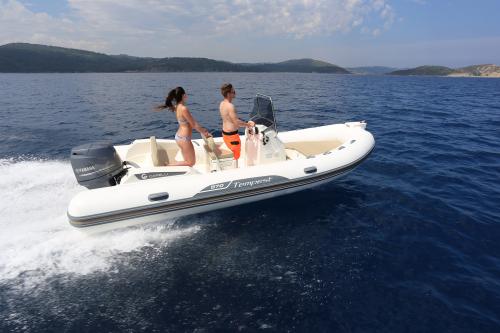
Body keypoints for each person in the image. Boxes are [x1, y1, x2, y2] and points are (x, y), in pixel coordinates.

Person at [155, 86, 210, 166]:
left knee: (186, 161)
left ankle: (172, 167)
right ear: (183, 95)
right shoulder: (184, 108)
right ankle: (167, 166)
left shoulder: (177, 107)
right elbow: (194, 124)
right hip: (184, 139)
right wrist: (205, 133)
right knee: (190, 162)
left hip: (179, 137)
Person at [219, 83, 254, 166]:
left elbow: (230, 119)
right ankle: (235, 173)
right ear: (228, 94)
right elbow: (236, 123)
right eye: (233, 91)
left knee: (234, 156)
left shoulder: (222, 104)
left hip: (225, 134)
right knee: (236, 157)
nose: (235, 93)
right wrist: (248, 124)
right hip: (232, 138)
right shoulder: (230, 106)